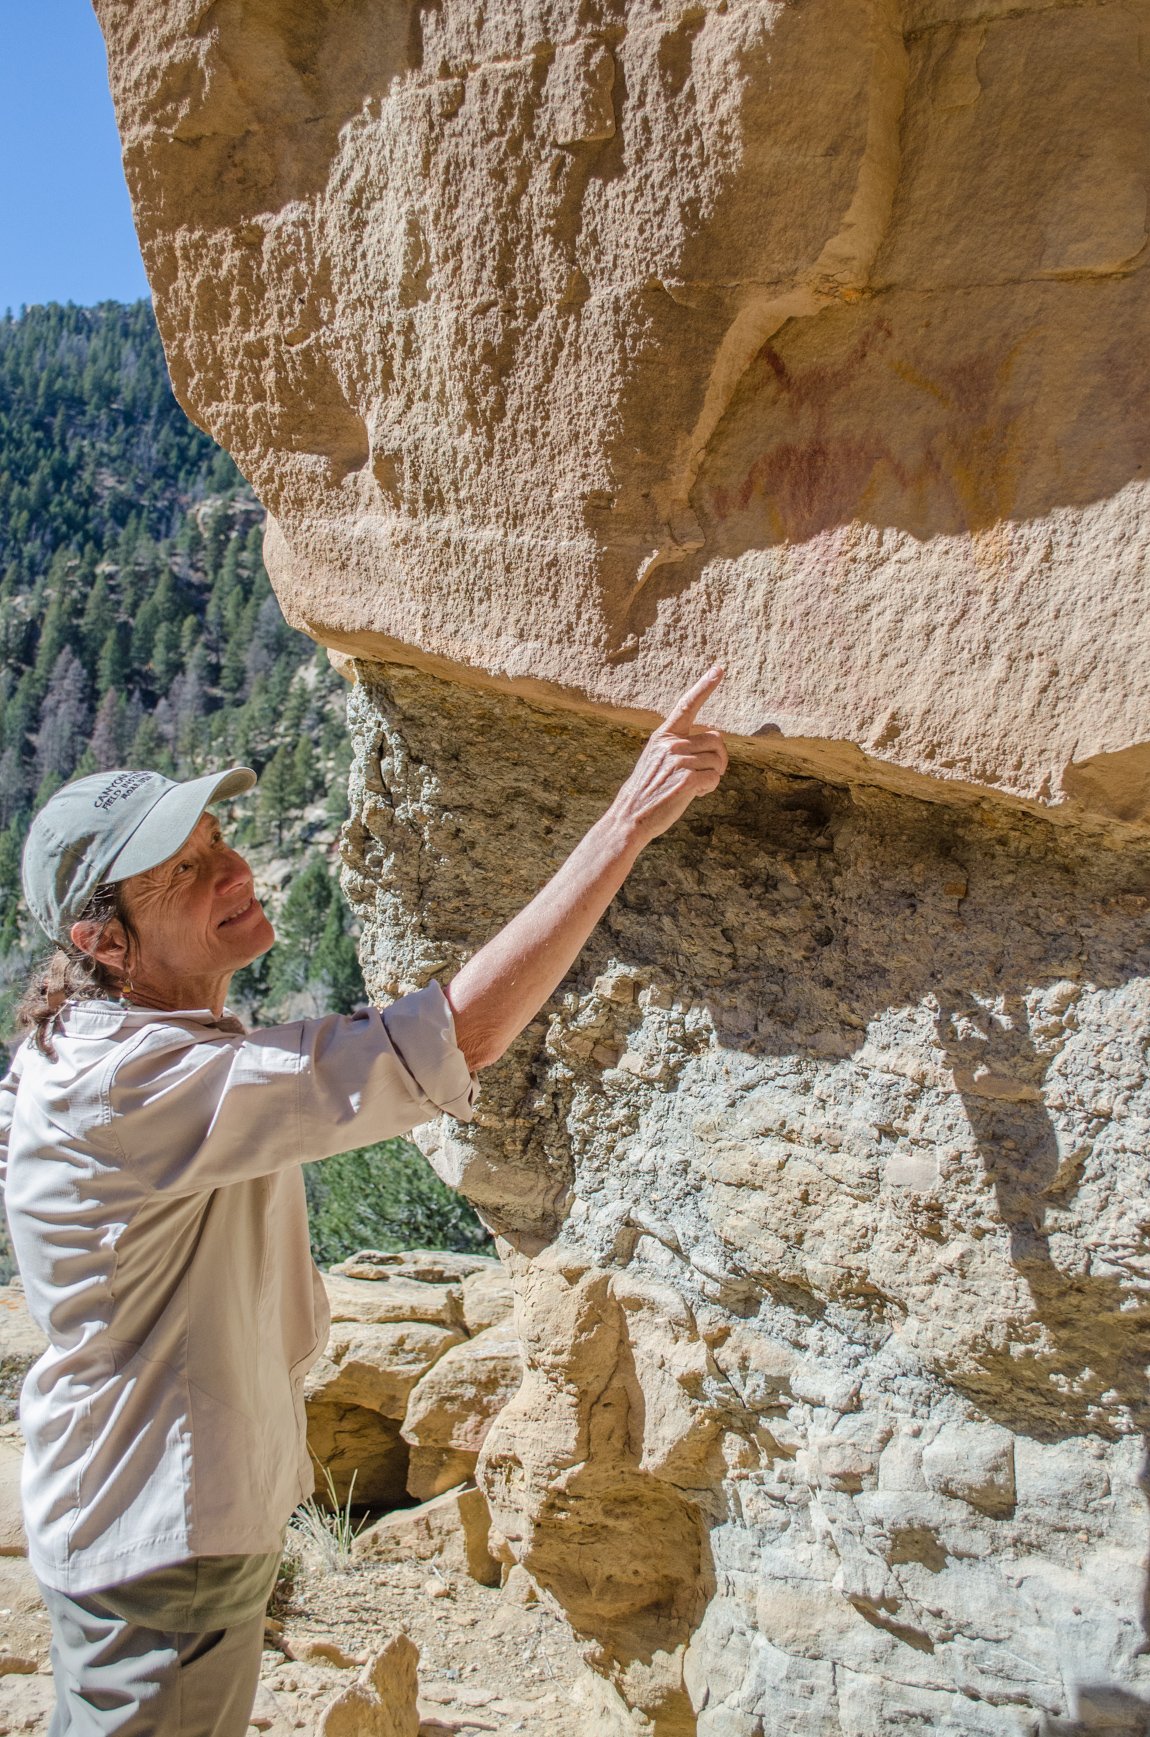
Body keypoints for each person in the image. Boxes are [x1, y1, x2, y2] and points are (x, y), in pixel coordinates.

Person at [0, 667, 727, 1736]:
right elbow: (441, 1045)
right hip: (162, 1529)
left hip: (147, 1510)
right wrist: (623, 823)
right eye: (185, 869)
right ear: (104, 942)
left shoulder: (106, 1047)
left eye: (217, 838)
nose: (234, 867)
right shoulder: (134, 1082)